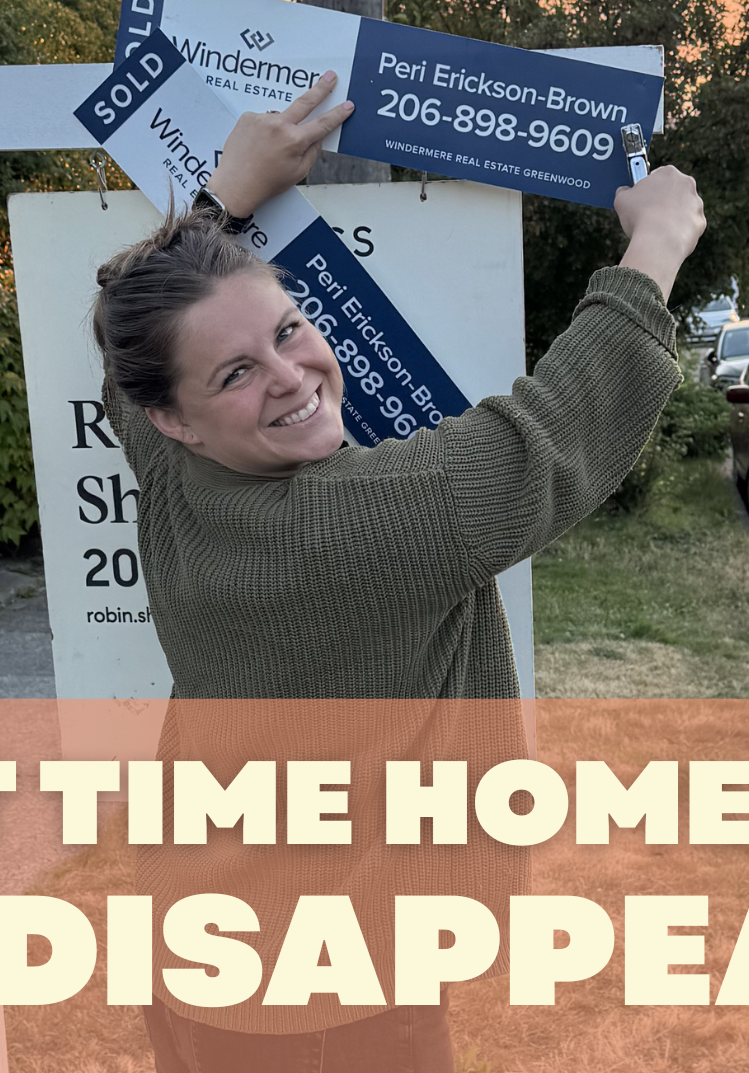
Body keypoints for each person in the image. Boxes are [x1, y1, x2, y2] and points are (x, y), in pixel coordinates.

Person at [91, 71, 705, 1070]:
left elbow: (127, 360)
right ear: (177, 418)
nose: (289, 375)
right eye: (237, 373)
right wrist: (657, 245)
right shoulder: (350, 524)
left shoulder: (170, 467)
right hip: (332, 1001)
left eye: (287, 330)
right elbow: (548, 440)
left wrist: (222, 199)